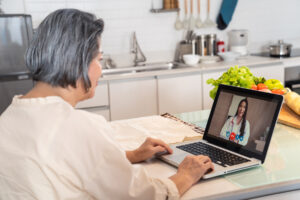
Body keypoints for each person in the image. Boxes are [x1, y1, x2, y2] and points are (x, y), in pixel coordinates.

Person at [0, 9, 213, 200]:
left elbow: (59, 162)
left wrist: (130, 155)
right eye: (99, 60)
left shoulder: (9, 117)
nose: (100, 70)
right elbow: (142, 196)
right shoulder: (81, 127)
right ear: (79, 60)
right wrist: (185, 175)